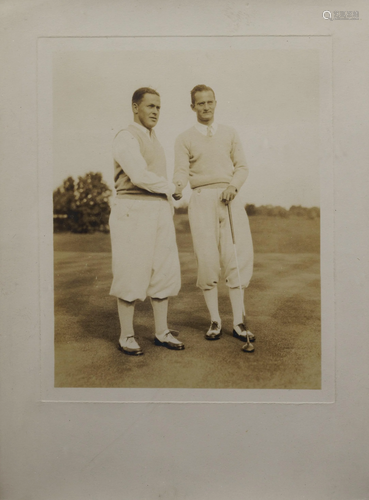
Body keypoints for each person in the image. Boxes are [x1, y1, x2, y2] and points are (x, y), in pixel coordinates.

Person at [173, 84, 255, 352]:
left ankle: (239, 322)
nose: (206, 107)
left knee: (236, 259)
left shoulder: (230, 133)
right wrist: (176, 188)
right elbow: (181, 171)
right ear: (192, 107)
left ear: (215, 103)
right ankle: (215, 321)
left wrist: (233, 186)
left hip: (229, 198)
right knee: (207, 260)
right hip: (201, 200)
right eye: (200, 103)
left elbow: (242, 167)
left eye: (210, 102)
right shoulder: (184, 138)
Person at [109, 87, 184, 355]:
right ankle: (126, 336)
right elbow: (139, 176)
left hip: (158, 210)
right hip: (133, 210)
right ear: (135, 107)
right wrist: (170, 186)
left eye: (159, 107)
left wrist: (169, 196)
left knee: (163, 271)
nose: (155, 112)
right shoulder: (125, 136)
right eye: (150, 106)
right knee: (131, 270)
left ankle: (161, 332)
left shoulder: (154, 138)